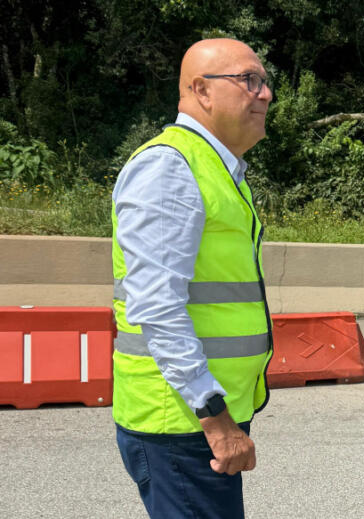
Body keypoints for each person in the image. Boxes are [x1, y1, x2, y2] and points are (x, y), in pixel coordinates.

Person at [111, 38, 274, 518]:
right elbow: (158, 307)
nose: (264, 94)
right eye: (249, 81)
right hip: (182, 426)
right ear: (201, 90)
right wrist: (214, 418)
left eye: (264, 83)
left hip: (192, 424)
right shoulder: (170, 167)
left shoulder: (217, 168)